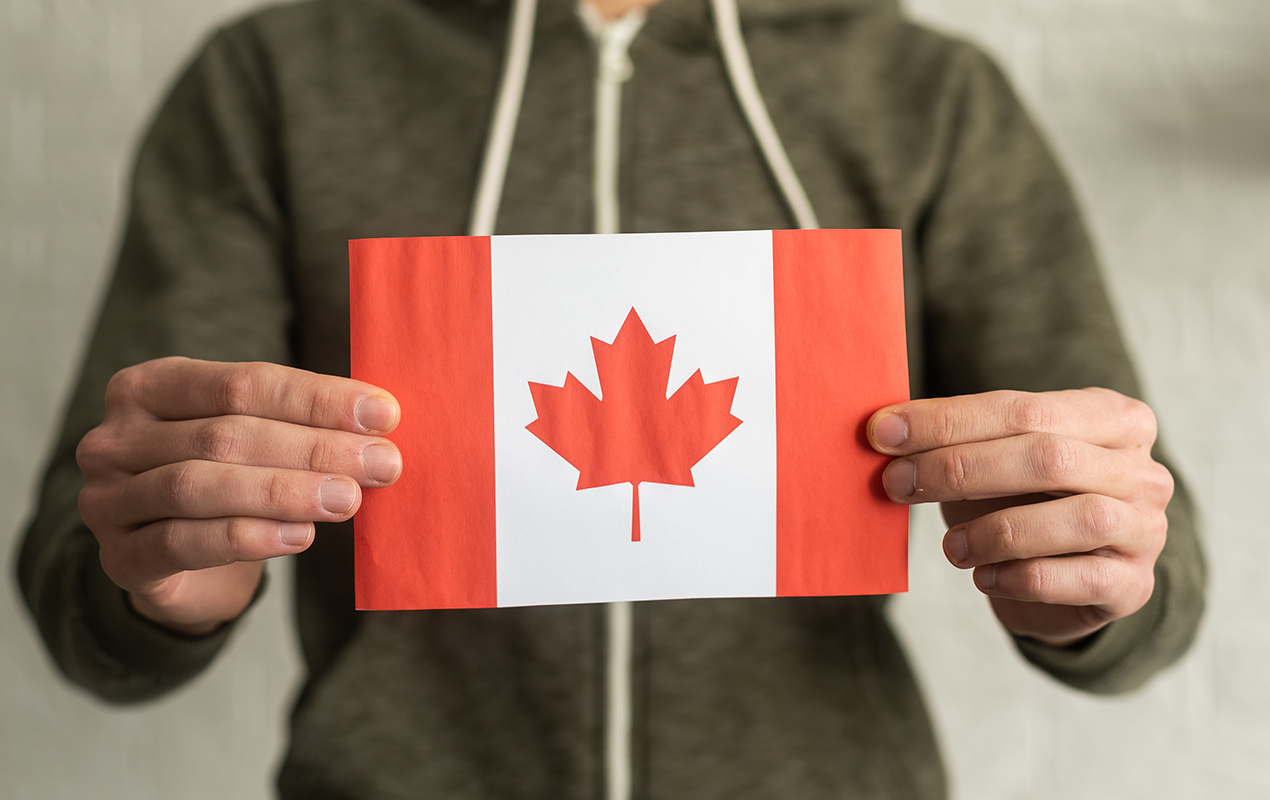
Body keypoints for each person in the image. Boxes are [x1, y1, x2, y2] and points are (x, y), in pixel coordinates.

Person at [17, 0, 1205, 797]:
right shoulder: (273, 79)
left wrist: (1097, 586)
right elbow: (82, 588)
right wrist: (155, 587)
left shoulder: (925, 91)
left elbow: (1157, 565)